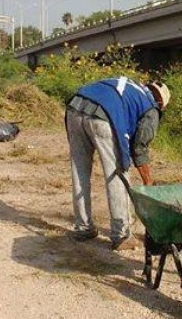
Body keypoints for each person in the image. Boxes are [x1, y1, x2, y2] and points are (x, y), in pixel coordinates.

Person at [65, 76, 170, 250]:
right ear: (160, 101)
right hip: (102, 116)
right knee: (118, 174)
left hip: (75, 107)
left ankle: (83, 228)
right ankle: (121, 235)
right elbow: (140, 147)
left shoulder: (131, 86)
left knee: (79, 171)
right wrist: (147, 181)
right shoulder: (151, 107)